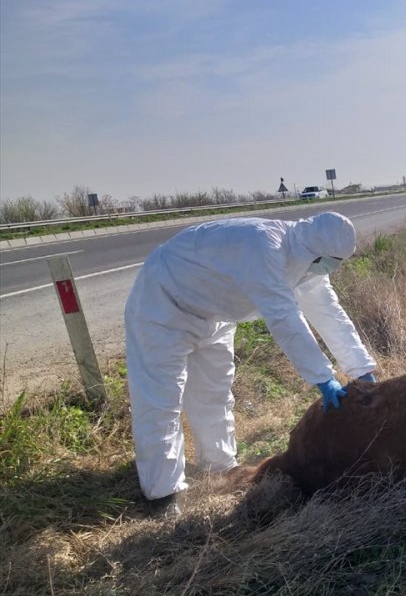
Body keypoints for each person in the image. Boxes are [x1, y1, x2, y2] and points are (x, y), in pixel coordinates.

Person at [125, 211, 377, 514]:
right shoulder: (263, 248)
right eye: (329, 261)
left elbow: (330, 315)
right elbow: (285, 318)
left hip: (214, 314)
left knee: (214, 394)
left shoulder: (307, 266)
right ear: (314, 252)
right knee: (161, 401)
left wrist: (361, 370)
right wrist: (323, 378)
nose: (330, 268)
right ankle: (162, 495)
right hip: (164, 305)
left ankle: (218, 467)